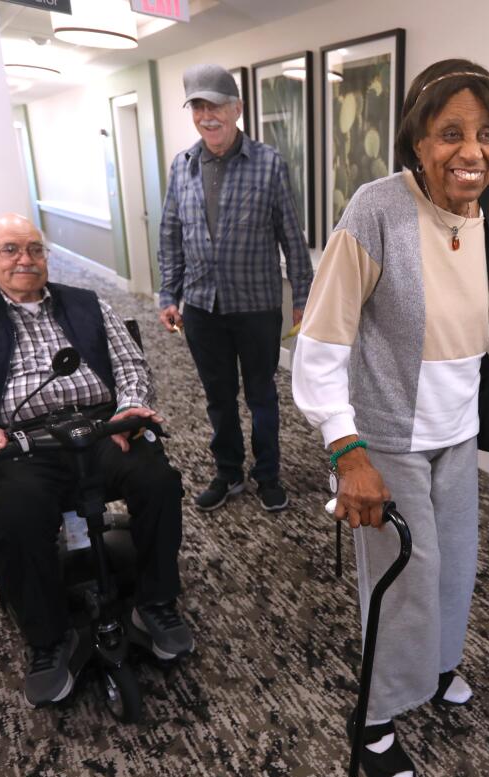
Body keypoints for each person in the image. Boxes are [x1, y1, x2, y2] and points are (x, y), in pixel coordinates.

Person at [292, 60, 489, 777]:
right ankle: (377, 718)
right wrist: (345, 448)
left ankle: (438, 666)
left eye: (486, 135)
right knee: (402, 580)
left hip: (458, 428)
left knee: (453, 563)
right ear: (417, 142)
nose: (470, 151)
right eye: (449, 133)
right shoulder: (376, 209)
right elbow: (322, 343)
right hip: (387, 433)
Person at [0, 213, 192, 707]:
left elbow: (132, 367)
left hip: (101, 428)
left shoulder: (88, 305)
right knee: (17, 511)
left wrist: (130, 408)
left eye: (35, 249)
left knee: (158, 480)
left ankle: (155, 603)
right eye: (10, 249)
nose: (26, 259)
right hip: (20, 443)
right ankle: (49, 637)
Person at [158, 63, 313, 513]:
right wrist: (169, 295)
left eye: (217, 106)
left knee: (262, 394)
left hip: (257, 305)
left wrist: (303, 296)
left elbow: (291, 235)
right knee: (218, 398)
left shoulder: (269, 164)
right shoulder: (182, 167)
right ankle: (228, 472)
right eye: (199, 107)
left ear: (237, 109)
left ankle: (267, 474)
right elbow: (170, 233)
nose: (208, 116)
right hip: (202, 307)